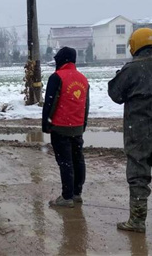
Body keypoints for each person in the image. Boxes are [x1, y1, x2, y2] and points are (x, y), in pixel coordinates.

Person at [108, 28, 152, 233]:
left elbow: (115, 94)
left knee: (138, 175)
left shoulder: (132, 70)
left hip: (140, 131)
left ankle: (137, 221)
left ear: (134, 46)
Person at [42, 47, 89, 207]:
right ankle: (77, 193)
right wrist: (83, 124)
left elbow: (50, 102)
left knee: (65, 162)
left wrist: (46, 123)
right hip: (77, 126)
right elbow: (85, 105)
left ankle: (66, 197)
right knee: (78, 159)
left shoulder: (56, 77)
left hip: (60, 127)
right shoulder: (83, 78)